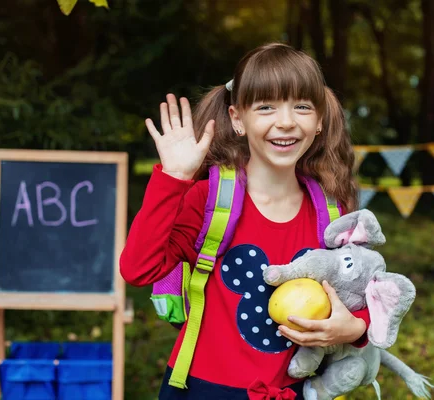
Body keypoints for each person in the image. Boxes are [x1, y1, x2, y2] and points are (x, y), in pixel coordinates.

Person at [120, 42, 370, 399]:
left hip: (296, 390)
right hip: (200, 390)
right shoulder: (207, 200)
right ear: (238, 119)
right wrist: (173, 178)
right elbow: (137, 269)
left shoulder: (332, 213)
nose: (285, 121)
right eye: (266, 107)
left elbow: (362, 291)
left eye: (301, 106)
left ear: (319, 122)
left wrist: (354, 329)